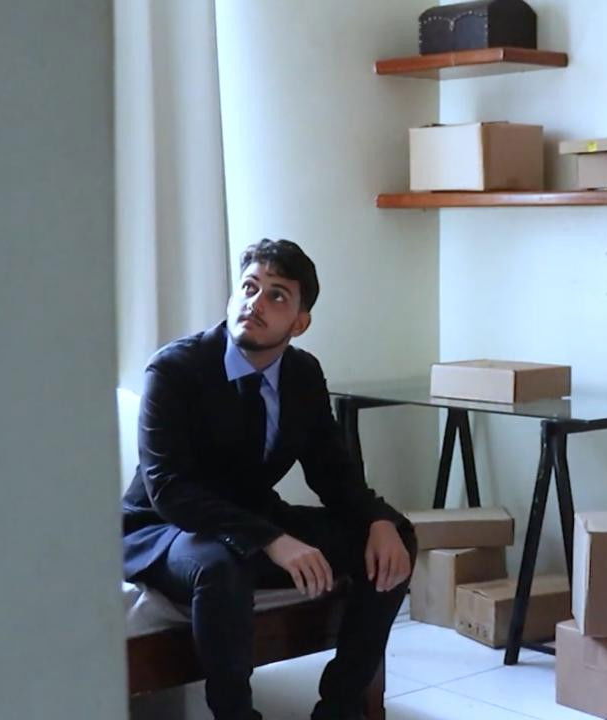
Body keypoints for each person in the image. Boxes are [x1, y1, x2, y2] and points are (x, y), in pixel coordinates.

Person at [122, 239, 416, 720]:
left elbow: (332, 472)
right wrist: (271, 539)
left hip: (251, 519)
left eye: (277, 295)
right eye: (249, 287)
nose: (255, 303)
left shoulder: (303, 374)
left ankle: (340, 708)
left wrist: (378, 519)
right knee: (220, 565)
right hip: (165, 528)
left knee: (395, 535)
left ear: (300, 322)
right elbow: (168, 488)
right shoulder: (175, 369)